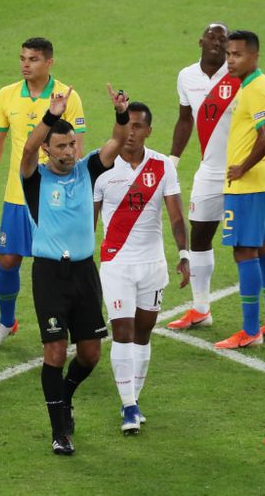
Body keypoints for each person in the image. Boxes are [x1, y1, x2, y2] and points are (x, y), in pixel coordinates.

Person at [20, 84, 129, 456]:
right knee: (54, 352)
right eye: (61, 146)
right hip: (50, 275)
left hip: (84, 273)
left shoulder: (87, 170)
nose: (69, 152)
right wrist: (50, 114)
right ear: (49, 149)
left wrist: (120, 113)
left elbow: (117, 141)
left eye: (72, 145)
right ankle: (59, 432)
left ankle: (65, 396)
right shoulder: (35, 178)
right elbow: (26, 149)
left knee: (90, 354)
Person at [167, 23, 265, 332]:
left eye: (225, 44)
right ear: (201, 41)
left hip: (248, 174)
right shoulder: (187, 77)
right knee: (200, 235)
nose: (219, 47)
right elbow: (185, 119)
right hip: (211, 172)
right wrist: (173, 158)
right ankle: (200, 309)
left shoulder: (243, 77)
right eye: (213, 40)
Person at [0, 37, 86, 351]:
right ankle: (6, 321)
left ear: (49, 62)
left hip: (54, 197)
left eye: (33, 59)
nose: (25, 64)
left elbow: (77, 146)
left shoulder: (67, 97)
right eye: (22, 58)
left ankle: (67, 326)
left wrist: (75, 193)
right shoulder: (7, 95)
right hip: (17, 195)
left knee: (59, 265)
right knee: (9, 259)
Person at [94, 102, 190, 435]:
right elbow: (88, 221)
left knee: (144, 333)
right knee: (122, 331)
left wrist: (185, 252)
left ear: (149, 130)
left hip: (152, 265)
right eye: (127, 125)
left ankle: (132, 398)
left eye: (138, 127)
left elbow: (176, 216)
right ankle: (130, 407)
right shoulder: (102, 167)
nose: (131, 133)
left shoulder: (163, 166)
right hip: (116, 264)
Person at [212, 30, 265, 349]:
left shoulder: (255, 88)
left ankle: (250, 330)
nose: (230, 60)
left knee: (244, 250)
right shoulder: (254, 84)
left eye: (237, 55)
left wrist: (242, 167)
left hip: (246, 184)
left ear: (254, 56)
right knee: (262, 247)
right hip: (254, 183)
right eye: (228, 54)